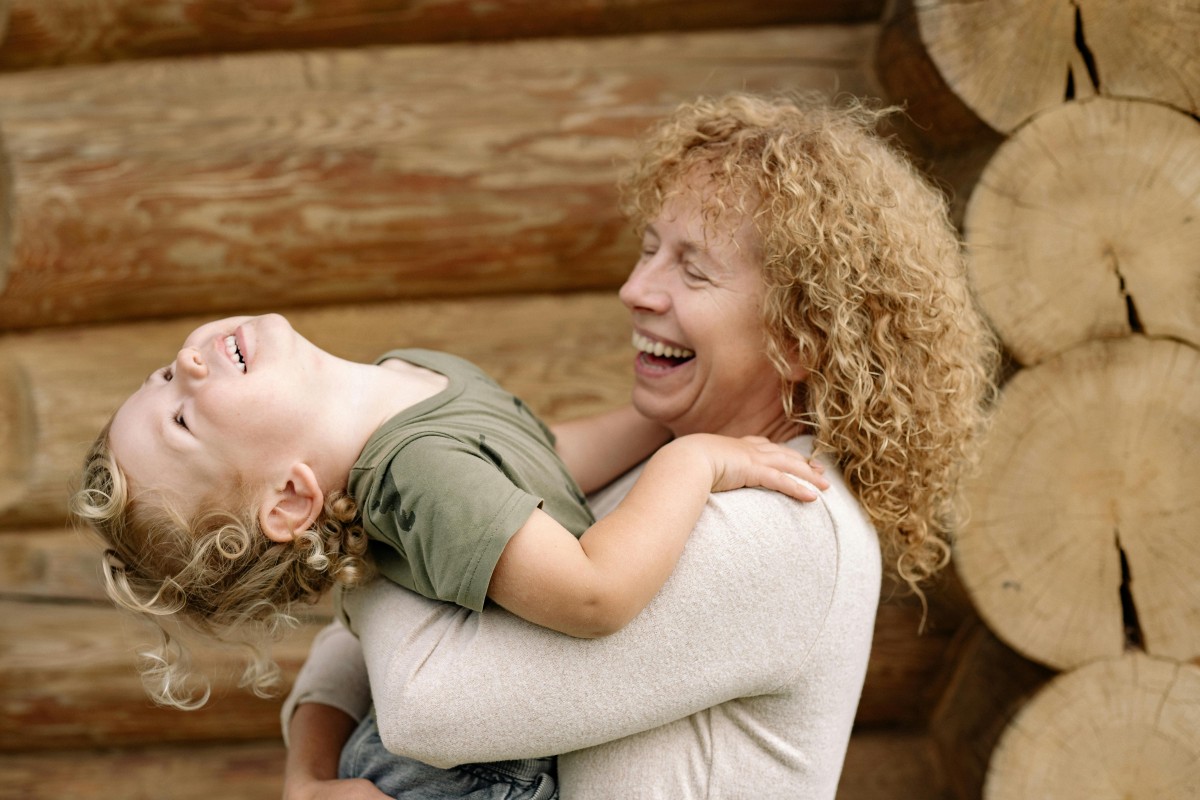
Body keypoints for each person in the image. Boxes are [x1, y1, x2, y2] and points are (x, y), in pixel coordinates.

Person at [281, 90, 999, 800]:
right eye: (650, 249)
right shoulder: (663, 461)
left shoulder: (784, 530)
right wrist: (308, 780)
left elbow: (433, 705)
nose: (635, 289)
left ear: (800, 335)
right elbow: (371, 624)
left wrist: (368, 489)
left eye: (693, 269)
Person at [71, 314, 824, 796]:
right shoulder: (415, 473)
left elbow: (537, 465)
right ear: (292, 501)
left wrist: (657, 423)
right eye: (182, 420)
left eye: (166, 378)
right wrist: (690, 460)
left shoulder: (409, 379)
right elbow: (595, 593)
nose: (188, 365)